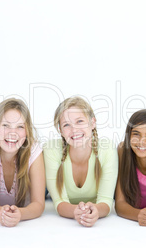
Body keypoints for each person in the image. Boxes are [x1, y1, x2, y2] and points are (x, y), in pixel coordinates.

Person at [44, 96, 118, 227]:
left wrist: (96, 211)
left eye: (79, 121)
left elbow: (106, 201)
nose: (74, 130)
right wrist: (76, 212)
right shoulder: (51, 150)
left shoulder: (107, 150)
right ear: (60, 130)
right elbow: (60, 202)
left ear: (93, 122)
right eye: (67, 125)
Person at [0, 98, 45, 227]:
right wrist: (0, 213)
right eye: (5, 125)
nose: (12, 133)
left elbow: (38, 204)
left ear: (27, 131)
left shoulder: (33, 150)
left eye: (20, 126)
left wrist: (20, 214)